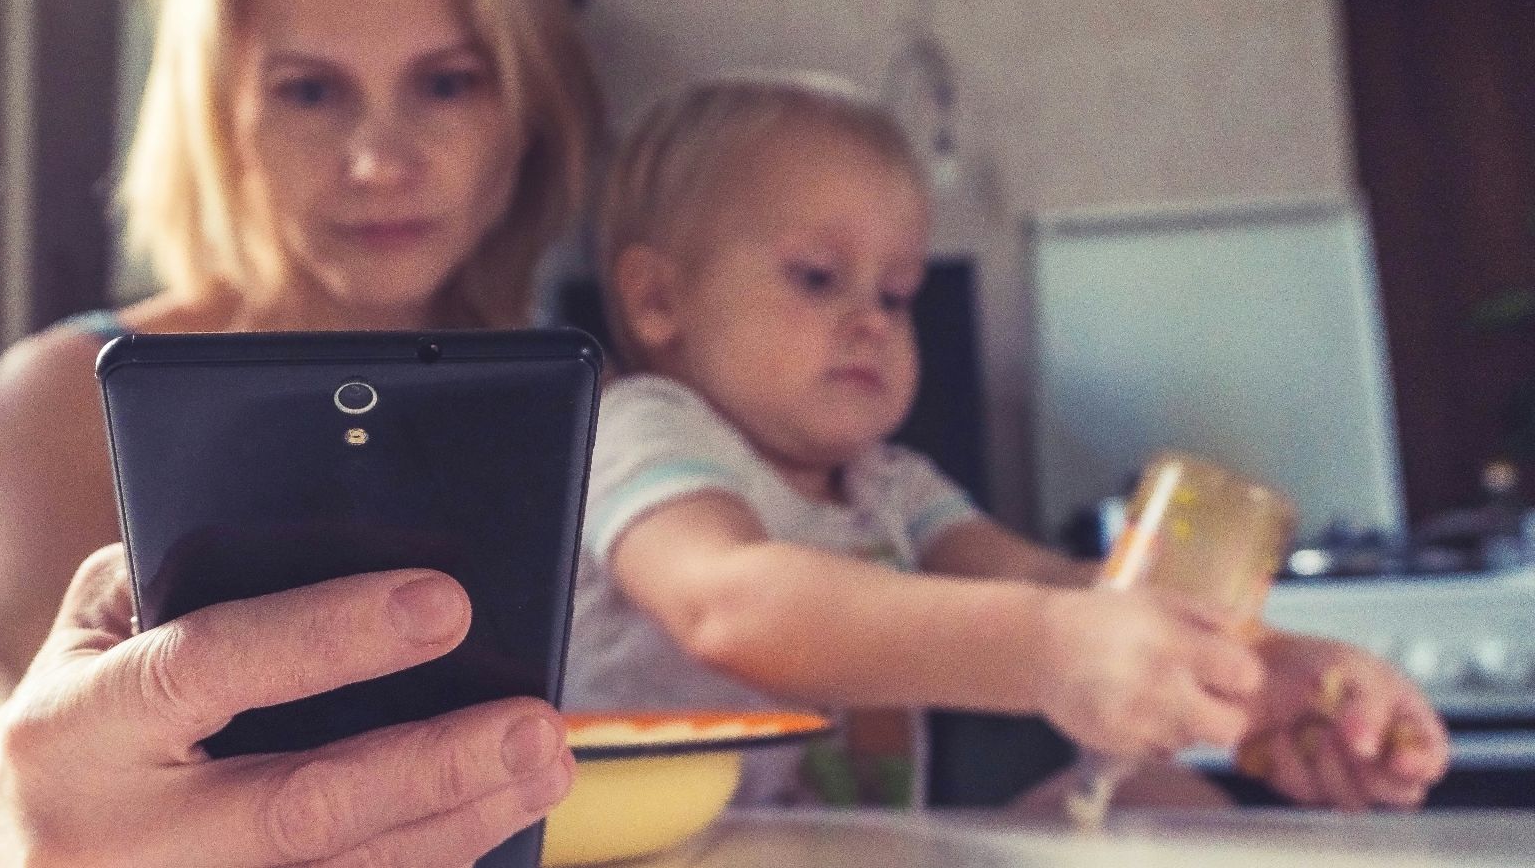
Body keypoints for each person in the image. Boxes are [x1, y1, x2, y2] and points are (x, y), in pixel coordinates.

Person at [0, 0, 603, 865]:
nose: (381, 160)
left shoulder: (602, 410)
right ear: (217, 114)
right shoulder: (74, 387)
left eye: (447, 81)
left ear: (524, 105)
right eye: (309, 90)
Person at [565, 73, 1450, 810]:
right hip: (666, 857)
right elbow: (727, 604)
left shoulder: (889, 485)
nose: (872, 321)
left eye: (896, 293)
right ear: (659, 300)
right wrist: (1050, 650)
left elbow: (1047, 585)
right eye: (818, 277)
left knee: (1162, 798)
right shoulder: (635, 427)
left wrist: (1258, 670)